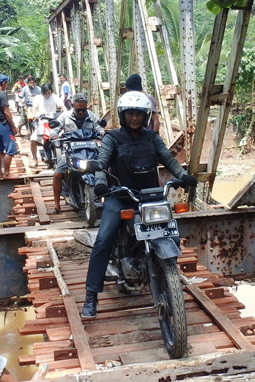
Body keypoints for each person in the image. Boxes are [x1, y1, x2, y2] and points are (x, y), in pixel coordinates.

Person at [80, 91, 197, 319]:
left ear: (145, 116)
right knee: (103, 241)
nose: (134, 118)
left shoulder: (152, 138)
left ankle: (168, 273)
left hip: (151, 196)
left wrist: (183, 175)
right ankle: (91, 295)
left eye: (138, 114)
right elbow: (103, 163)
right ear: (123, 115)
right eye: (130, 114)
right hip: (120, 195)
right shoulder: (112, 138)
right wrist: (101, 184)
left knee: (171, 234)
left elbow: (168, 159)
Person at [47, 93, 104, 214]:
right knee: (57, 174)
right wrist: (54, 135)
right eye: (79, 110)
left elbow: (99, 128)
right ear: (72, 106)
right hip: (71, 150)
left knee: (105, 169)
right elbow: (54, 129)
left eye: (84, 109)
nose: (81, 112)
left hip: (89, 150)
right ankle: (57, 206)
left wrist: (102, 133)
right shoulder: (65, 116)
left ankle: (106, 199)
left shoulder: (92, 116)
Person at [29, 83, 65, 168]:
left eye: (49, 93)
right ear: (42, 92)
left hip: (54, 122)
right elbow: (34, 108)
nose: (47, 95)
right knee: (32, 140)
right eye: (45, 93)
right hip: (43, 122)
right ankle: (35, 160)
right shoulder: (38, 98)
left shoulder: (55, 97)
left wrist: (66, 113)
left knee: (63, 137)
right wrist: (35, 115)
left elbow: (62, 106)